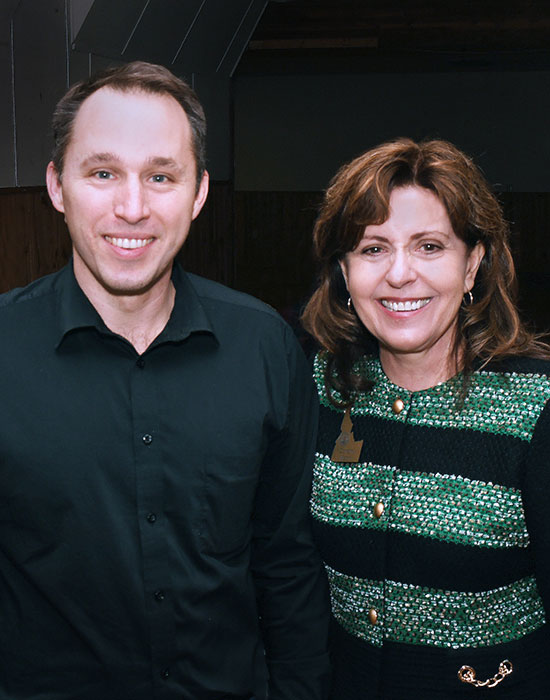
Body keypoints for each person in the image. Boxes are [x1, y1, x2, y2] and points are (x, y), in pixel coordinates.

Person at [0, 61, 330, 700]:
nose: (132, 208)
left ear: (199, 194)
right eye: (102, 173)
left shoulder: (265, 346)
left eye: (161, 176)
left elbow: (287, 561)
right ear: (57, 186)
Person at [301, 137, 550, 699]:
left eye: (430, 246)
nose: (399, 274)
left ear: (473, 266)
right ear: (344, 271)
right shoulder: (320, 389)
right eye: (372, 249)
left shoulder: (534, 406)